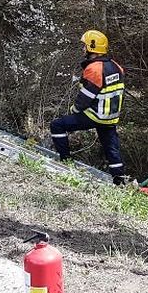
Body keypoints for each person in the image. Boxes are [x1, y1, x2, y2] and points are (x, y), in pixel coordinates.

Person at [50, 29, 127, 184]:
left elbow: (86, 97)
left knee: (57, 125)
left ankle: (65, 161)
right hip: (110, 117)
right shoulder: (117, 67)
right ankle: (120, 181)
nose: (83, 48)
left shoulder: (94, 69)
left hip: (94, 115)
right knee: (112, 149)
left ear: (92, 47)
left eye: (85, 45)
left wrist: (75, 110)